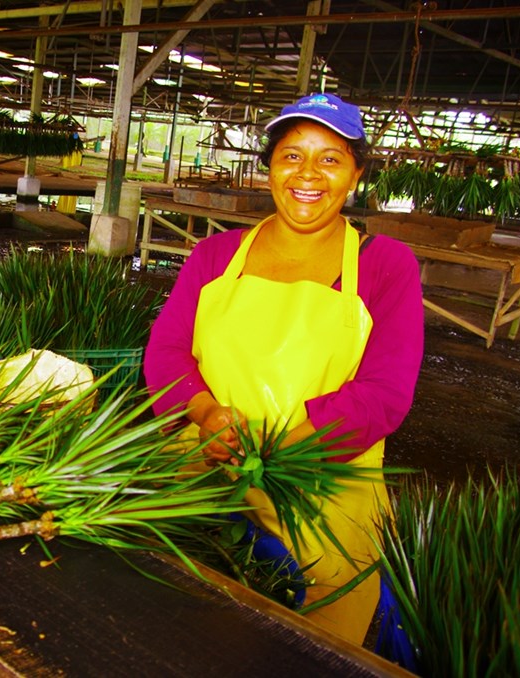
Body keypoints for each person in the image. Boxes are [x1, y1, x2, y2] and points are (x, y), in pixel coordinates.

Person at [143, 92, 424, 644]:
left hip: (323, 473)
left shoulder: (385, 265)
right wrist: (203, 411)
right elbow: (167, 352)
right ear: (270, 166)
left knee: (332, 592)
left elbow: (385, 391)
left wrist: (291, 447)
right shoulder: (216, 256)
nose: (308, 174)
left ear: (355, 175)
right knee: (151, 557)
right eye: (292, 155)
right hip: (208, 448)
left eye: (330, 158)